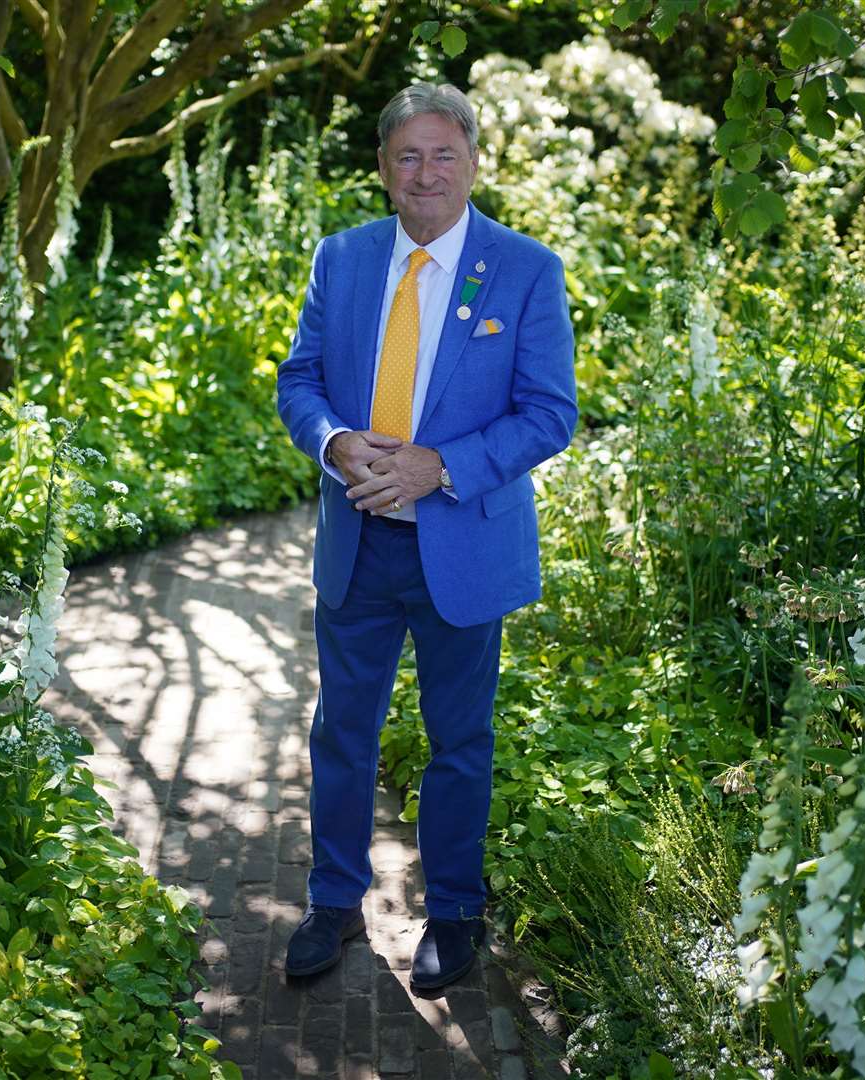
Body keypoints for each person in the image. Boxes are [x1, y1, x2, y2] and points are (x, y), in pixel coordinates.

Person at [274, 83, 578, 991]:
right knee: (343, 734)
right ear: (381, 168)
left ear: (474, 160)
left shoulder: (525, 269)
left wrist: (435, 465)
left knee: (458, 741)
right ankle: (333, 902)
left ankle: (451, 911)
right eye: (406, 156)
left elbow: (549, 416)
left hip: (461, 547)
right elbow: (299, 381)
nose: (425, 173)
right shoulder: (344, 258)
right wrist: (332, 439)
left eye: (442, 154)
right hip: (358, 547)